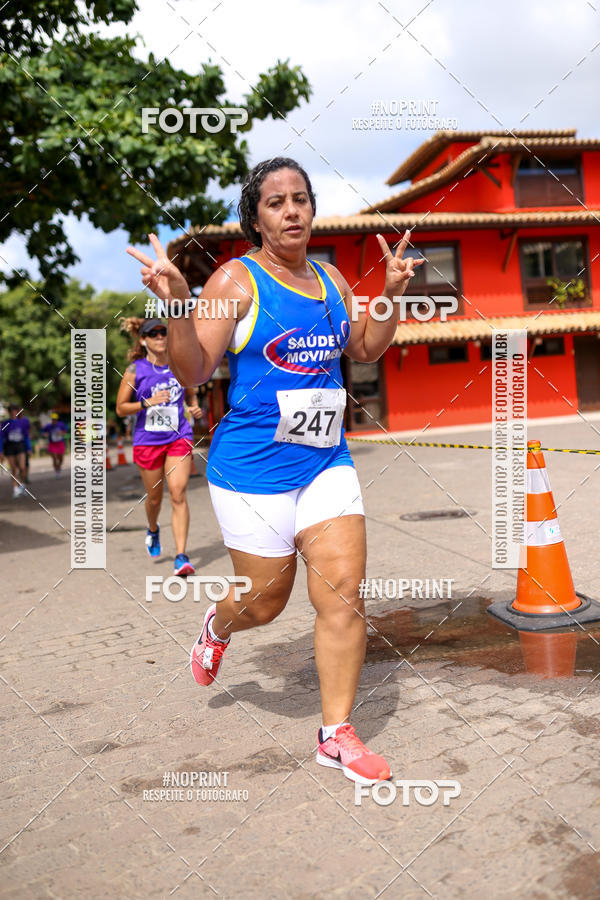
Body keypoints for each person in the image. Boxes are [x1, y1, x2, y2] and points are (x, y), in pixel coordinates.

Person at [127, 157, 423, 786]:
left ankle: (335, 732)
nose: (291, 211)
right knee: (264, 602)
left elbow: (366, 347)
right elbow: (194, 372)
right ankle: (218, 623)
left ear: (312, 209)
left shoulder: (332, 279)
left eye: (300, 199)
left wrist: (392, 294)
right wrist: (179, 304)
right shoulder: (235, 283)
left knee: (344, 593)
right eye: (275, 202)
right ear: (256, 218)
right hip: (252, 470)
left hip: (325, 462)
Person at [116, 318, 204, 576]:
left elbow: (191, 394)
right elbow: (120, 408)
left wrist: (193, 407)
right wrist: (147, 403)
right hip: (148, 440)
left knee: (178, 493)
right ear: (143, 340)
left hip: (179, 437)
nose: (159, 337)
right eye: (152, 334)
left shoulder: (180, 365)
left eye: (163, 332)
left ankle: (181, 556)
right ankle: (153, 528)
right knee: (155, 498)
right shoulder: (135, 370)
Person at [0, 404, 30, 498]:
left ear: (17, 412)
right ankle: (15, 489)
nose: (13, 412)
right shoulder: (5, 423)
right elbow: (1, 437)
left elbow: (26, 436)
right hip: (9, 447)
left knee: (22, 467)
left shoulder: (22, 422)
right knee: (13, 469)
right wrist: (1, 451)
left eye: (15, 411)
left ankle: (22, 486)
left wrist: (29, 448)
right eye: (11, 411)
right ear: (9, 412)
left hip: (20, 446)